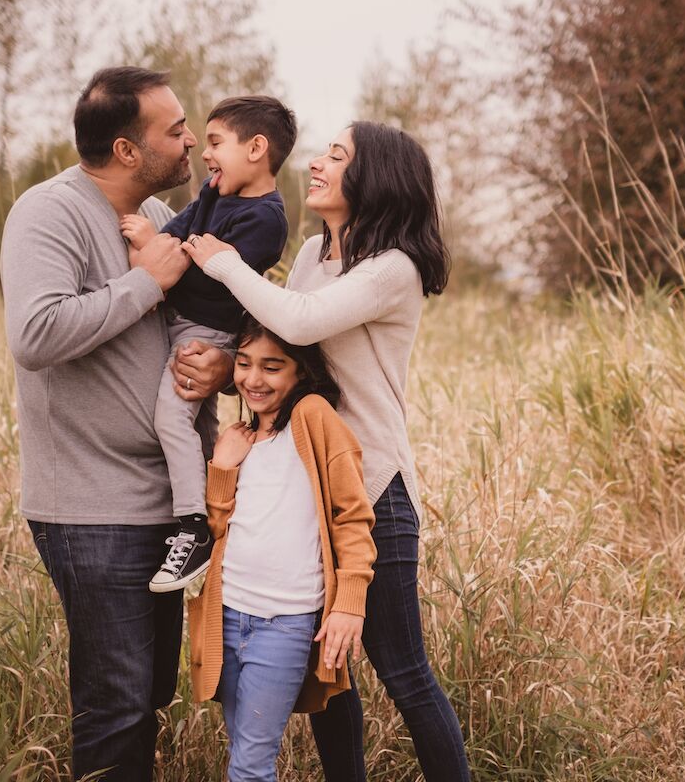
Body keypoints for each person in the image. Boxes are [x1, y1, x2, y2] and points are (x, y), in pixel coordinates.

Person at [182, 121, 471, 781]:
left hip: (372, 486)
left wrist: (222, 260)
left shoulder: (392, 268)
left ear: (373, 179)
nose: (315, 163)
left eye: (336, 156)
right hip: (308, 483)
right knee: (328, 668)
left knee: (403, 670)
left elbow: (301, 321)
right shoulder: (315, 254)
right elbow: (294, 354)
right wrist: (231, 365)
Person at [0, 65, 233, 781]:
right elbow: (36, 334)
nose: (192, 140)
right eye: (176, 129)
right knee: (117, 702)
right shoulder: (49, 212)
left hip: (165, 504)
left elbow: (178, 335)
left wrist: (218, 371)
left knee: (147, 695)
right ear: (128, 150)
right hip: (92, 508)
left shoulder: (162, 221)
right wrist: (146, 282)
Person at [186, 313, 376, 782]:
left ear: (300, 371)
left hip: (284, 623)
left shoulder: (313, 420)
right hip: (226, 615)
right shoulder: (242, 438)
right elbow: (217, 528)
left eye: (272, 367)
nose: (253, 378)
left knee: (250, 765)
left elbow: (352, 517)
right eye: (244, 363)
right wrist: (223, 469)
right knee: (243, 752)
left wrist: (350, 602)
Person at [119, 95, 297, 595]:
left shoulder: (266, 219)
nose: (206, 154)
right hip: (179, 320)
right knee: (195, 426)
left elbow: (218, 279)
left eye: (216, 142)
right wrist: (159, 246)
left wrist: (162, 254)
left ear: (257, 147)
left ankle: (193, 528)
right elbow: (176, 240)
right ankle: (218, 516)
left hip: (205, 332)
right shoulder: (214, 192)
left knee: (171, 418)